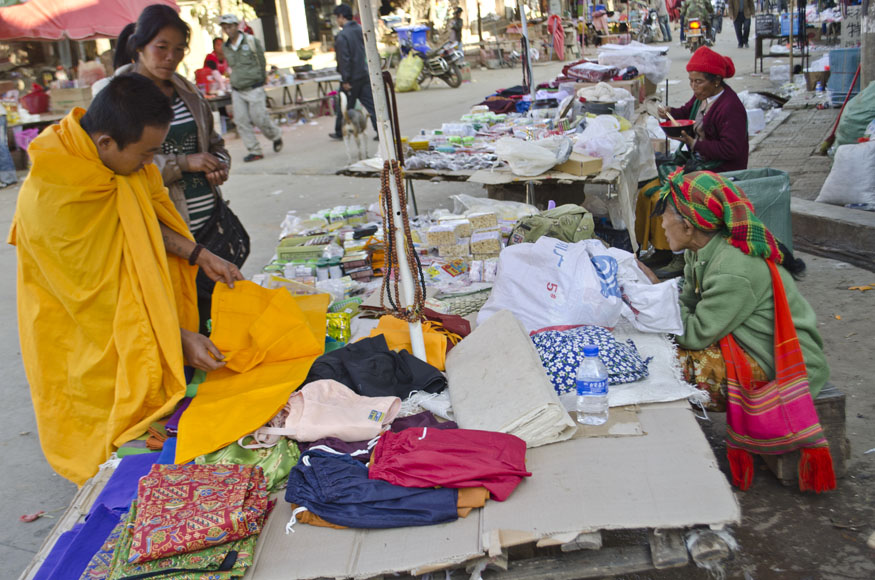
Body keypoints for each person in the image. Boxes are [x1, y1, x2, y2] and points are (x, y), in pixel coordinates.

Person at [8, 74, 243, 485]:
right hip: (85, 343)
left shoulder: (116, 165)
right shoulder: (54, 197)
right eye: (146, 153)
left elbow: (144, 222)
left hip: (140, 326)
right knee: (111, 451)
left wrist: (200, 254)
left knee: (154, 435)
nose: (151, 164)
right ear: (105, 143)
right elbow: (101, 308)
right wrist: (175, 338)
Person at [638, 170, 835, 492]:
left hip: (783, 361)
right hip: (749, 342)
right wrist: (661, 297)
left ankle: (667, 459)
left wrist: (656, 292)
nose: (661, 224)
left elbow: (695, 332)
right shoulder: (701, 251)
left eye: (665, 216)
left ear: (688, 226)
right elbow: (687, 303)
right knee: (655, 346)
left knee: (668, 365)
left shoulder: (733, 267)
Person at [635, 46, 748, 278]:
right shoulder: (702, 98)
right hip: (701, 161)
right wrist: (669, 112)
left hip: (721, 169)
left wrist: (694, 143)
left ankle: (680, 255)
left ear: (716, 81)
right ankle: (663, 249)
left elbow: (731, 150)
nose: (693, 87)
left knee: (667, 195)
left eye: (698, 82)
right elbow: (685, 112)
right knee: (647, 189)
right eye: (691, 81)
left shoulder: (730, 107)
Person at [219, 13, 283, 162]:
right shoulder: (225, 47)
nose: (227, 30)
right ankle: (254, 150)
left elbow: (261, 60)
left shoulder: (251, 41)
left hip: (254, 87)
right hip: (237, 89)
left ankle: (275, 135)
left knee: (259, 118)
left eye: (230, 26)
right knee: (241, 121)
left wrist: (261, 79)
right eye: (225, 27)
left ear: (236, 26)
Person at [329, 4, 378, 142]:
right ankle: (381, 129)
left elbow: (344, 59)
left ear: (341, 17)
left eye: (337, 18)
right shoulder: (360, 29)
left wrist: (345, 80)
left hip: (351, 78)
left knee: (344, 105)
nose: (337, 21)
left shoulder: (342, 35)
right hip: (363, 73)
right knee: (371, 105)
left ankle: (340, 131)